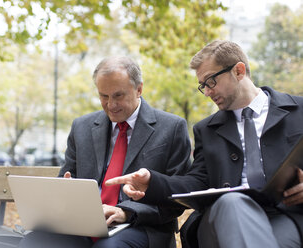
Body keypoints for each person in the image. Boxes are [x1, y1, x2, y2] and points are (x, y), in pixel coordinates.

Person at [107, 40, 303, 248]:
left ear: (238, 71)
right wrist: (151, 181)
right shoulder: (206, 129)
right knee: (232, 201)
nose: (207, 92)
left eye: (211, 81)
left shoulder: (298, 111)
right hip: (222, 216)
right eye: (203, 86)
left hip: (287, 214)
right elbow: (196, 182)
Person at [19, 56, 191, 248]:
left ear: (139, 89)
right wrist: (65, 192)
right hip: (83, 225)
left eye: (118, 95)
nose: (111, 105)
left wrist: (127, 212)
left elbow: (178, 196)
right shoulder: (81, 127)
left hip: (141, 227)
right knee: (35, 241)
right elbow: (67, 176)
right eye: (104, 96)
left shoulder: (172, 127)